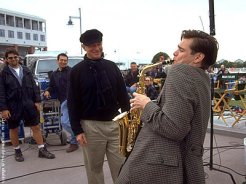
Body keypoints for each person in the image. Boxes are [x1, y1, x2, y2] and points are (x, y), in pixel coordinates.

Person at [116, 29, 219, 184]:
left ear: (198, 57)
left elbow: (174, 128)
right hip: (184, 164)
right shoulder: (202, 77)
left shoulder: (180, 72)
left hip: (160, 166)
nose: (175, 53)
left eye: (181, 50)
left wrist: (146, 105)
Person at [67, 29, 130, 184]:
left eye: (98, 44)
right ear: (84, 47)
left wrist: (129, 121)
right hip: (90, 128)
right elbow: (72, 103)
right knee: (94, 169)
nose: (96, 48)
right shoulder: (76, 71)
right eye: (91, 45)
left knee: (121, 167)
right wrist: (77, 130)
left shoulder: (112, 66)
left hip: (115, 125)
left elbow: (123, 96)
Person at [0, 48, 55, 162]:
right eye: (10, 58)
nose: (13, 59)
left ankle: (41, 149)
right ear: (6, 60)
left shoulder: (26, 70)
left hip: (28, 103)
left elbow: (34, 87)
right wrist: (3, 109)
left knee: (35, 126)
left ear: (18, 58)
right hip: (12, 105)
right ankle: (17, 151)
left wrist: (37, 101)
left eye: (15, 57)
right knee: (13, 128)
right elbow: (1, 92)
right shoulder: (3, 74)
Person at [43, 53, 79, 153]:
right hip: (63, 100)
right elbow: (52, 86)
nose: (63, 62)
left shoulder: (72, 71)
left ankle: (75, 140)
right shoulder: (54, 74)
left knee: (65, 121)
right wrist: (47, 90)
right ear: (57, 61)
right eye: (61, 60)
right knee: (66, 122)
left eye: (65, 60)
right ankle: (76, 139)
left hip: (72, 100)